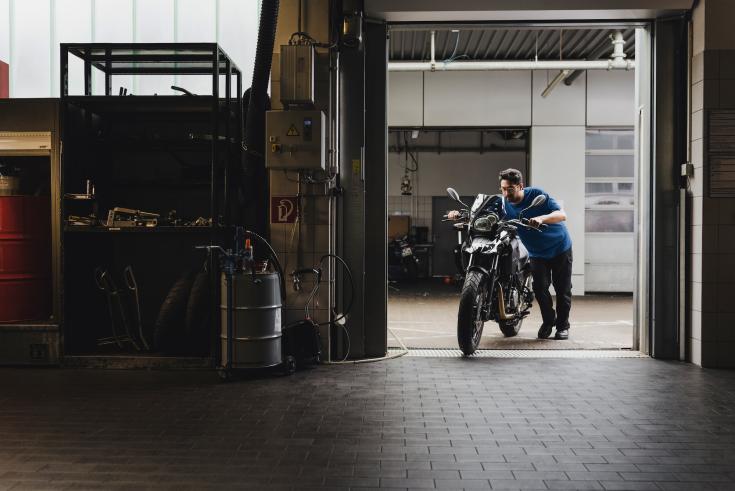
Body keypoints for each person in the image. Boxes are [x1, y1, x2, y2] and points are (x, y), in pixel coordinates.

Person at [448, 168, 573, 340]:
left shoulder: (536, 195)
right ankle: (548, 322)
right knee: (540, 289)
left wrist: (541, 219)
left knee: (562, 289)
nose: (506, 193)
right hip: (537, 253)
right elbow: (481, 214)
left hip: (559, 248)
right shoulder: (502, 202)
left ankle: (563, 327)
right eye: (503, 189)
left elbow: (561, 214)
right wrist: (459, 214)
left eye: (510, 189)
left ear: (520, 186)